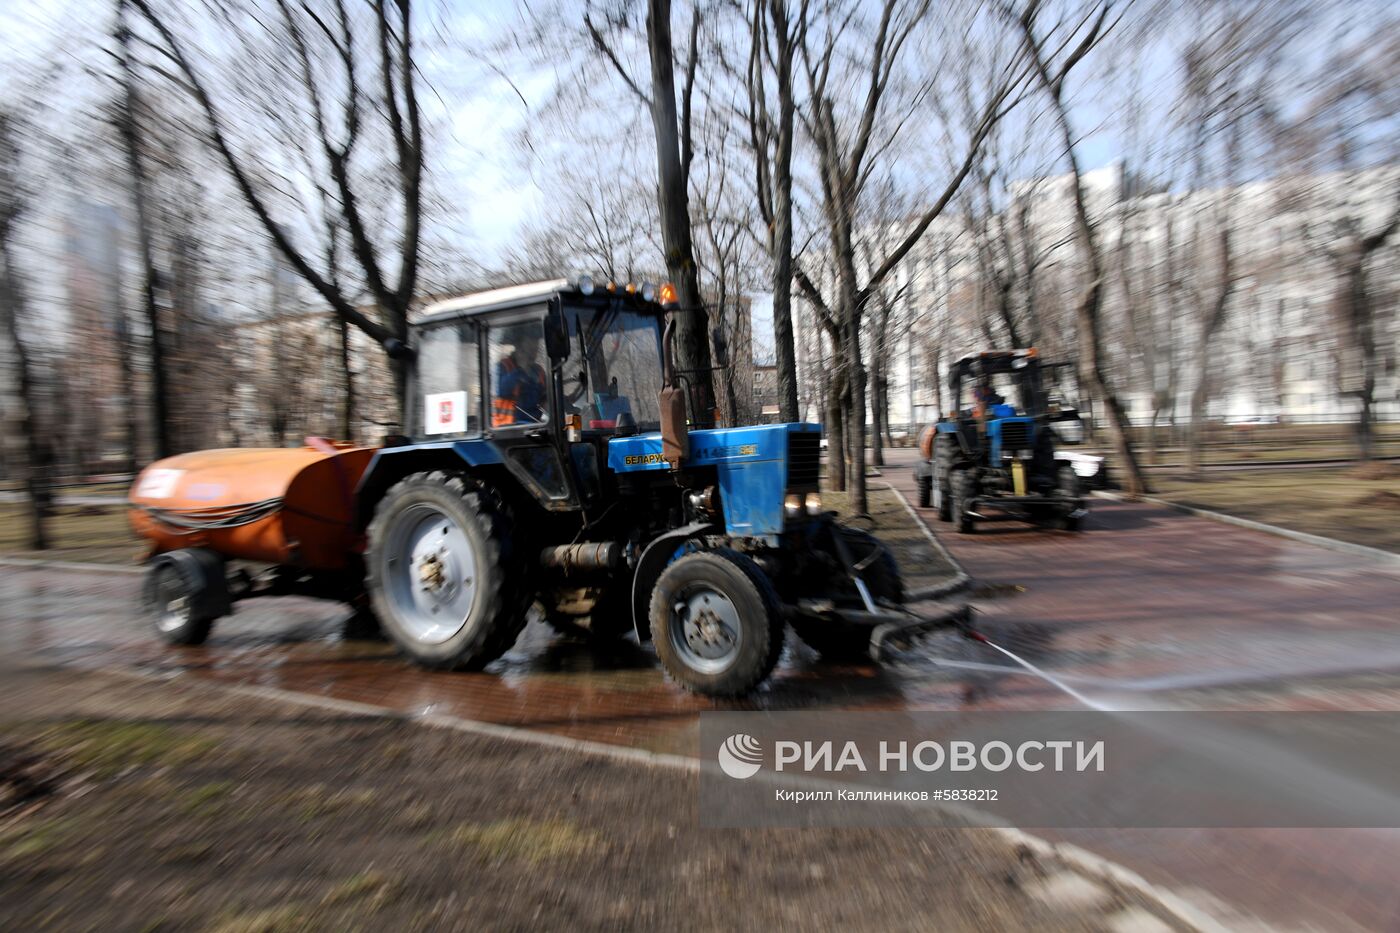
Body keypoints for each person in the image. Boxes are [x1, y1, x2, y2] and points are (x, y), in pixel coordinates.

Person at [492, 328, 548, 426]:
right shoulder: (503, 366)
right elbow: (502, 391)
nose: (534, 352)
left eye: (536, 348)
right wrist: (521, 369)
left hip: (535, 427)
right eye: (529, 348)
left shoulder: (539, 371)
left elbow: (546, 398)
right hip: (508, 430)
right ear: (519, 347)